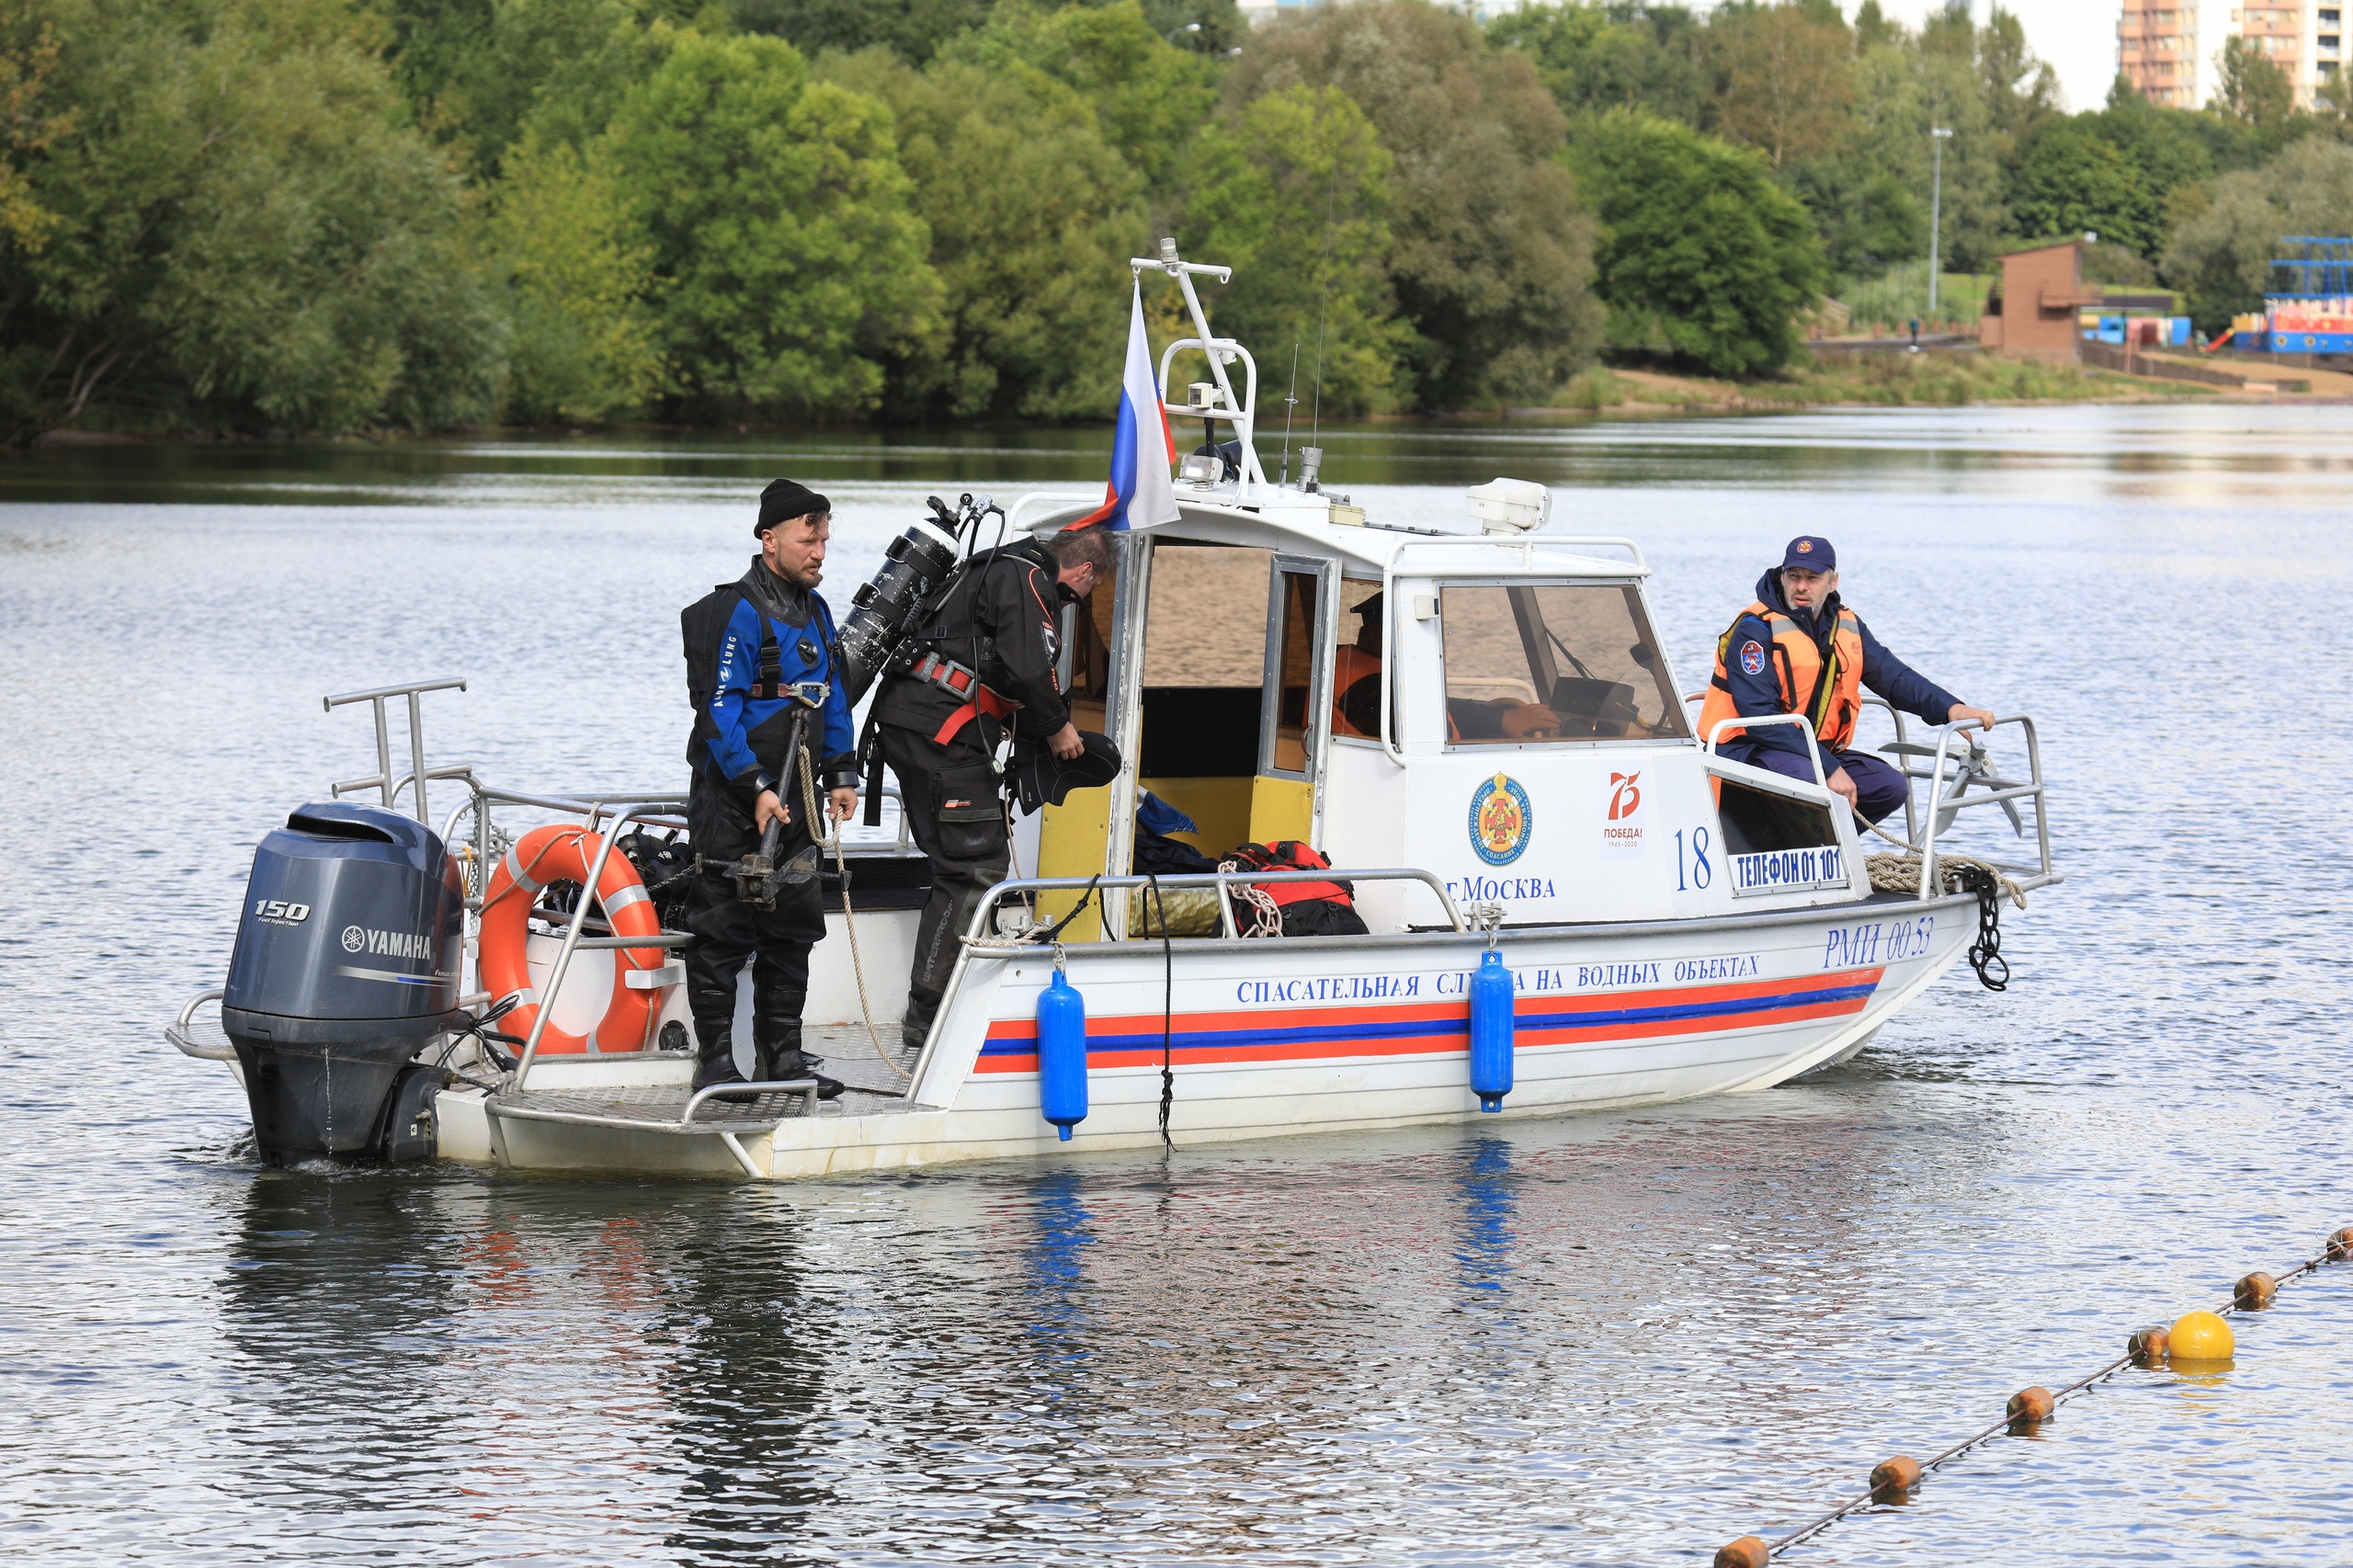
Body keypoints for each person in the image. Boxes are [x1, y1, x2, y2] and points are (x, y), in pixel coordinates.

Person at [872, 524, 1114, 1056]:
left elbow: (993, 661)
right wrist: (1058, 727)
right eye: (1084, 592)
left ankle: (935, 1002)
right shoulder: (1029, 579)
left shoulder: (991, 569)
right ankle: (929, 1014)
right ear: (1083, 571)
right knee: (973, 869)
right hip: (942, 728)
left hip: (912, 722)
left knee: (952, 862)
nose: (1075, 602)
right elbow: (1030, 665)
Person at [678, 479, 859, 1095]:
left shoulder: (817, 610)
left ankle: (782, 1060)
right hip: (735, 798)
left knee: (793, 927)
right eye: (809, 540)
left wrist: (842, 773)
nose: (819, 552)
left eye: (825, 541)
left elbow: (830, 698)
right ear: (769, 539)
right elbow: (719, 711)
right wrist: (753, 786)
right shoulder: (740, 610)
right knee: (724, 927)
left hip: (799, 795)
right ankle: (715, 1064)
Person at [1698, 536, 1995, 824]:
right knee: (1811, 779)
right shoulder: (1755, 630)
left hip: (1805, 752)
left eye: (1812, 578)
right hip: (1744, 750)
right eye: (1794, 576)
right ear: (1782, 576)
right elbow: (1760, 715)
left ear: (1833, 581)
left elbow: (1893, 677)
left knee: (1888, 786)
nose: (1801, 586)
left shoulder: (1845, 624)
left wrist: (1951, 709)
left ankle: (1822, 852)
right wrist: (1828, 768)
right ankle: (1796, 851)